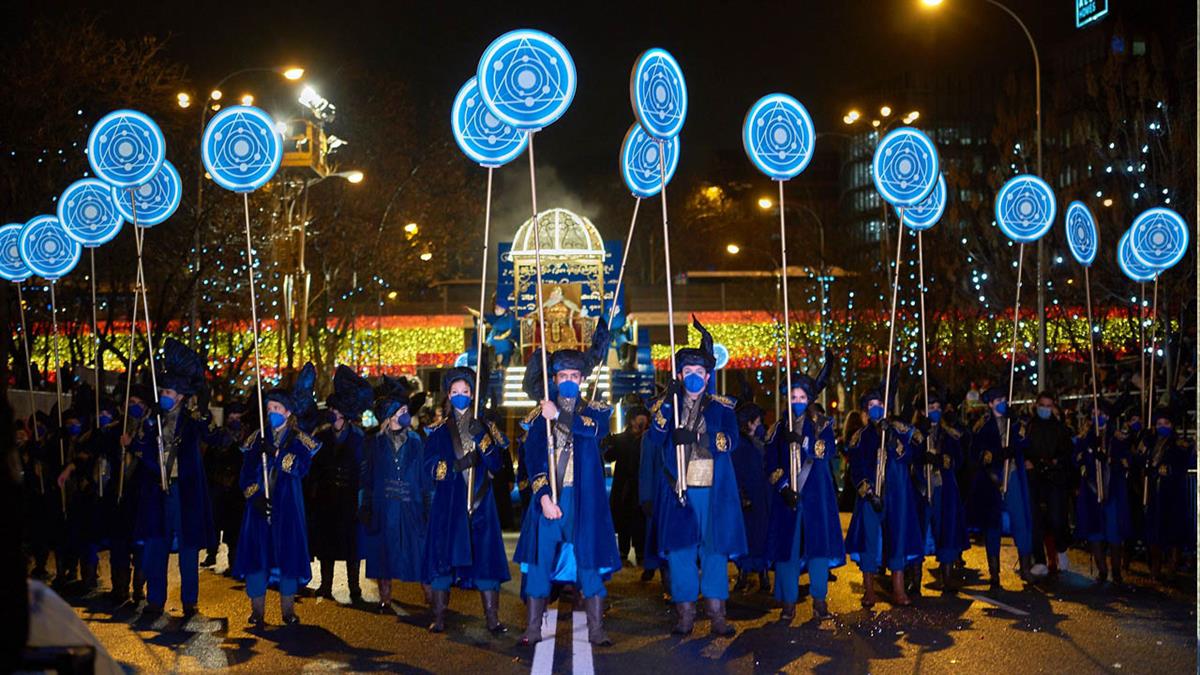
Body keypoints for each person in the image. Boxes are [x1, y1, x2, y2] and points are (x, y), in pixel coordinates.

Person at [515, 323, 620, 647]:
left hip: (585, 500)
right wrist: (544, 498)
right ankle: (533, 627)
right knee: (539, 562)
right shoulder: (538, 417)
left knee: (589, 560)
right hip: (550, 500)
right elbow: (533, 459)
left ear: (582, 379)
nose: (569, 381)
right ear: (555, 379)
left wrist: (558, 415)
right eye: (563, 376)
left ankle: (596, 629)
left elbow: (592, 431)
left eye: (575, 376)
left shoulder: (596, 412)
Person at [647, 318, 746, 637]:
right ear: (679, 375)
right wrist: (668, 403)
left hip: (713, 491)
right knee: (681, 553)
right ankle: (686, 615)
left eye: (698, 372)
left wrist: (699, 438)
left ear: (707, 376)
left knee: (714, 552)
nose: (692, 376)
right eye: (686, 371)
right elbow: (654, 437)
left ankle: (717, 616)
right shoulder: (667, 406)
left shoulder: (722, 408)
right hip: (681, 490)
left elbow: (731, 441)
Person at [126, 339, 218, 619]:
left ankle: (190, 602)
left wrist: (204, 414)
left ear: (179, 396)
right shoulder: (153, 419)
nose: (163, 396)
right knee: (156, 545)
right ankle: (155, 600)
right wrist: (140, 435)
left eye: (167, 392)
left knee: (188, 548)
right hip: (157, 490)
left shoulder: (191, 420)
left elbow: (214, 436)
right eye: (162, 391)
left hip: (184, 491)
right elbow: (142, 448)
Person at [423, 367, 511, 634]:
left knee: (485, 560)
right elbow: (429, 467)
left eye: (465, 391)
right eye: (455, 392)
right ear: (448, 395)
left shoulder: (486, 427)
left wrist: (482, 439)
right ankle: (439, 617)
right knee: (443, 558)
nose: (460, 395)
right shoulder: (437, 431)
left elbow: (497, 465)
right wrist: (456, 465)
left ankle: (492, 618)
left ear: (473, 395)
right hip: (449, 504)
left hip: (481, 502)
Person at [766, 364, 845, 621]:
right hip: (788, 498)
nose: (797, 401)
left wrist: (803, 441)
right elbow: (770, 463)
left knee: (818, 550)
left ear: (809, 399)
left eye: (801, 397)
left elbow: (828, 450)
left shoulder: (822, 425)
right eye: (793, 397)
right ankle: (788, 603)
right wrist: (783, 488)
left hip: (816, 496)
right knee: (788, 550)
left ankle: (819, 601)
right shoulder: (778, 429)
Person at [233, 387, 317, 626]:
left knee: (287, 556)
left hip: (287, 508)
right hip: (259, 509)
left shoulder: (299, 439)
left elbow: (301, 468)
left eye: (277, 408)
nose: (272, 413)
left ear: (288, 412)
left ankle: (288, 610)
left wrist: (277, 454)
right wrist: (255, 496)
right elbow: (245, 475)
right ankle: (257, 611)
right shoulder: (256, 439)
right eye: (269, 409)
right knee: (257, 557)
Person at [845, 385, 924, 607]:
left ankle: (898, 589)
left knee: (898, 538)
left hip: (897, 495)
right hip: (871, 497)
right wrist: (869, 493)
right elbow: (856, 469)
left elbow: (912, 453)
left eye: (879, 404)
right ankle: (869, 589)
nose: (876, 409)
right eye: (871, 405)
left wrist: (893, 442)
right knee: (869, 540)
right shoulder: (860, 437)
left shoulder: (898, 430)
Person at [360, 388, 429, 614]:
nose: (405, 414)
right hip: (384, 506)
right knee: (383, 552)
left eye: (405, 410)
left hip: (411, 505)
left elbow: (425, 477)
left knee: (418, 550)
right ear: (390, 416)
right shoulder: (375, 443)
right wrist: (365, 505)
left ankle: (430, 596)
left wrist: (428, 504)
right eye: (400, 411)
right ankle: (385, 598)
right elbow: (367, 477)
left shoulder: (417, 441)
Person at [309, 366, 371, 603]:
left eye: (336, 411)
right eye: (331, 410)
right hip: (327, 499)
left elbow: (363, 468)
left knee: (351, 545)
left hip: (349, 498)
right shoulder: (322, 437)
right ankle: (326, 585)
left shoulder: (358, 437)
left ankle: (355, 588)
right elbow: (315, 467)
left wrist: (363, 500)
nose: (333, 414)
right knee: (327, 544)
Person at [965, 387, 1034, 590]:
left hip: (1012, 475)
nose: (1002, 402)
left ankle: (1025, 568)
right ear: (990, 404)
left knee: (1020, 520)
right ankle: (994, 574)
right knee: (992, 525)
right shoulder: (982, 427)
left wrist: (1016, 427)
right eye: (998, 400)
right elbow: (976, 453)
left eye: (1004, 398)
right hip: (992, 479)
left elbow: (1025, 442)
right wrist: (995, 456)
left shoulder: (1014, 422)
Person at [1073, 400, 1132, 587]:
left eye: (1101, 413)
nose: (1097, 417)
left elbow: (1127, 460)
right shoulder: (1085, 437)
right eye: (1094, 413)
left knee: (1114, 532)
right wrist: (1090, 454)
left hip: (1112, 490)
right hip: (1092, 490)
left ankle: (1116, 571)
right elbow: (1076, 460)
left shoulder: (1117, 437)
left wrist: (1110, 459)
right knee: (1095, 531)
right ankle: (1102, 571)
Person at [916, 392, 968, 592]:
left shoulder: (948, 434)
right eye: (931, 407)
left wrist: (942, 460)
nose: (935, 411)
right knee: (918, 532)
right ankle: (915, 578)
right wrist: (921, 456)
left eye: (938, 407)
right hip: (921, 488)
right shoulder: (916, 433)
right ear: (922, 411)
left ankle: (946, 575)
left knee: (946, 529)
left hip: (943, 488)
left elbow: (959, 458)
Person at [1023, 391, 1075, 577]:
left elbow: (1067, 453)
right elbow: (1024, 448)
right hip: (1035, 478)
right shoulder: (1030, 426)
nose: (1045, 409)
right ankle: (1039, 560)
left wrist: (1055, 462)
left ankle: (1061, 549)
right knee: (1035, 519)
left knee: (1056, 517)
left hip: (1054, 478)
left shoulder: (1060, 428)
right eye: (1042, 405)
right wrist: (1028, 462)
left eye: (1048, 405)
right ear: (1036, 406)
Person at [1139, 408, 1193, 582]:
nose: (1162, 427)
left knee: (1174, 532)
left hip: (1173, 494)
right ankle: (1155, 566)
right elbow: (1140, 461)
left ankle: (1172, 567)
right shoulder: (1151, 443)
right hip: (1155, 494)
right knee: (1154, 532)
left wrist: (1169, 469)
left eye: (1166, 423)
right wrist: (1144, 443)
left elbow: (1183, 463)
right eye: (1159, 424)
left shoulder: (1179, 444)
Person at [602, 405, 649, 570]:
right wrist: (608, 443)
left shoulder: (648, 439)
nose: (642, 421)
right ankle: (623, 553)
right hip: (624, 488)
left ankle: (641, 553)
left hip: (641, 486)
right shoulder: (622, 439)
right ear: (632, 420)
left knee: (641, 521)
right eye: (639, 417)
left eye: (644, 417)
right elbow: (609, 456)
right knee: (624, 520)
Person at [203, 400, 248, 573]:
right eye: (232, 416)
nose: (235, 420)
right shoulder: (220, 436)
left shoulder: (247, 438)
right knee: (214, 522)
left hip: (237, 490)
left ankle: (233, 562)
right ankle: (211, 553)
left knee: (234, 529)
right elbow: (209, 460)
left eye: (238, 416)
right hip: (218, 486)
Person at [732, 403, 771, 593]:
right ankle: (755, 573)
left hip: (753, 498)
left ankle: (749, 574)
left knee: (752, 536)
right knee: (753, 537)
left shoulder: (745, 443)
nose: (759, 424)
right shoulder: (745, 445)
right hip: (750, 498)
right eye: (757, 421)